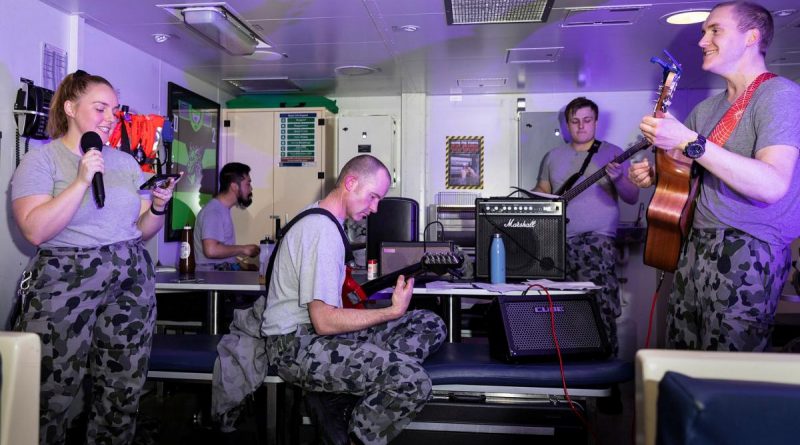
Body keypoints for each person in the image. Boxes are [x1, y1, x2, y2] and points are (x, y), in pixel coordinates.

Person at [10, 70, 177, 444]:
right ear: (70, 108)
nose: (109, 118)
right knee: (49, 391)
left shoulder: (124, 163)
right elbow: (35, 230)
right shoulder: (41, 161)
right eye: (100, 108)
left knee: (122, 389)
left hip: (129, 276)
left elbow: (138, 228)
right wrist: (81, 180)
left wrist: (159, 209)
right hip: (67, 277)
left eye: (114, 111)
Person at [628, 1, 800, 351]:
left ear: (751, 36)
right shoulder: (704, 110)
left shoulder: (779, 95)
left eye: (714, 30)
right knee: (683, 358)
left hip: (748, 246)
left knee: (729, 369)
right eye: (704, 31)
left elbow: (772, 184)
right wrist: (654, 175)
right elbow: (687, 172)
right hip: (694, 244)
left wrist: (690, 140)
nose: (702, 40)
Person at [261, 154, 447, 445]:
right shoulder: (322, 231)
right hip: (296, 348)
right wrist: (390, 312)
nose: (374, 208)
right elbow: (324, 322)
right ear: (350, 182)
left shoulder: (325, 218)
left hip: (317, 336)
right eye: (372, 197)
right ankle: (354, 435)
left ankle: (345, 389)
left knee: (430, 323)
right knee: (413, 381)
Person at [534, 96, 639, 355]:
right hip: (559, 243)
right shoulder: (552, 156)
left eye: (587, 120)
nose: (581, 126)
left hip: (598, 242)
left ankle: (605, 380)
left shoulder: (614, 152)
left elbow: (632, 196)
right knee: (563, 309)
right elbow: (543, 192)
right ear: (568, 124)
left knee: (599, 307)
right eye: (575, 121)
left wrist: (618, 178)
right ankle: (571, 375)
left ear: (595, 122)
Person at [193, 162, 260, 270]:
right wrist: (244, 249)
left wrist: (243, 265)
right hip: (213, 283)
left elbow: (222, 255)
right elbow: (211, 250)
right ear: (234, 186)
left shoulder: (222, 210)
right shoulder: (213, 211)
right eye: (248, 184)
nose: (251, 189)